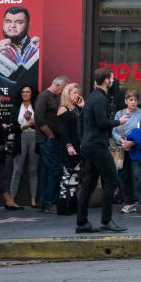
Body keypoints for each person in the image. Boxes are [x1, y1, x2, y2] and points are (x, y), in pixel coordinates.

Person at [76, 69, 126, 233]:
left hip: (90, 145)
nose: (113, 80)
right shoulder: (99, 98)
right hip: (97, 146)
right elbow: (101, 122)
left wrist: (84, 141)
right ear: (105, 81)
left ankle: (82, 223)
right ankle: (106, 220)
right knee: (112, 181)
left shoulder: (93, 97)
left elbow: (83, 121)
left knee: (88, 184)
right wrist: (119, 121)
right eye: (111, 78)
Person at [33, 75, 68, 213]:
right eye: (63, 89)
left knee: (47, 171)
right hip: (47, 140)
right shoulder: (44, 97)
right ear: (58, 85)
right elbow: (39, 119)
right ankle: (50, 202)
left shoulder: (55, 97)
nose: (63, 92)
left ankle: (42, 203)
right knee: (55, 169)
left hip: (53, 139)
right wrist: (50, 135)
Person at [114, 89, 141, 214]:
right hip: (123, 149)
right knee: (124, 176)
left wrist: (132, 142)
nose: (133, 102)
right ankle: (129, 202)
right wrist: (121, 141)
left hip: (137, 149)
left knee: (138, 174)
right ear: (126, 101)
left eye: (135, 99)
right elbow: (114, 131)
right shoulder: (119, 114)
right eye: (131, 99)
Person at [0, 5, 40, 90]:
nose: (12, 25)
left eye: (19, 22)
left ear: (28, 26)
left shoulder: (38, 49)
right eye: (8, 21)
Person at [56, 82, 84, 215]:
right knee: (66, 175)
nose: (77, 95)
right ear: (68, 94)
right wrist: (69, 146)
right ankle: (62, 204)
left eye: (78, 93)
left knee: (75, 176)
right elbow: (63, 131)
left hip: (78, 146)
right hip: (68, 146)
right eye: (74, 93)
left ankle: (73, 203)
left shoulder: (76, 109)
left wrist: (82, 107)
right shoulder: (63, 109)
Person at [11, 85, 39, 207]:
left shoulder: (36, 106)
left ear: (32, 93)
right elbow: (13, 126)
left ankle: (33, 199)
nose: (25, 94)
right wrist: (24, 126)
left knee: (33, 170)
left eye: (28, 91)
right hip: (20, 137)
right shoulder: (16, 107)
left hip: (34, 137)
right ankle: (11, 199)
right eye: (23, 92)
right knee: (17, 169)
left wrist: (32, 124)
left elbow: (41, 123)